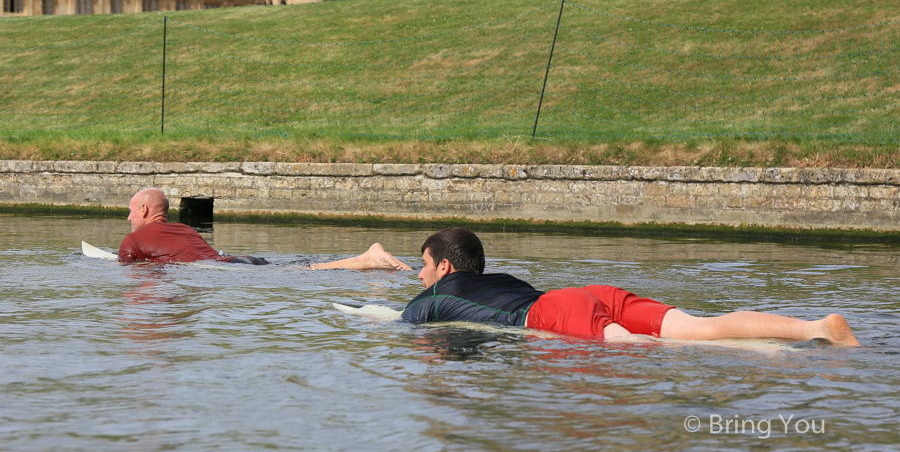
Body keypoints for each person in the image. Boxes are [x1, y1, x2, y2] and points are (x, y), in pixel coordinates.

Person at [400, 228, 860, 346]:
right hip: (587, 294)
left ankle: (765, 351)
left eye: (423, 266)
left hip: (554, 314)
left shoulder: (436, 296)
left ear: (443, 268)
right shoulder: (502, 279)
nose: (419, 275)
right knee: (700, 329)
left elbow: (408, 322)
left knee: (650, 351)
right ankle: (813, 327)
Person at [120, 188, 412, 270]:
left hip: (234, 270)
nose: (129, 219)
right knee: (301, 267)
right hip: (242, 260)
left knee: (307, 271)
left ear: (144, 210)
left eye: (131, 212)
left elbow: (134, 266)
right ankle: (366, 258)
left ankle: (367, 260)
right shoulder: (186, 229)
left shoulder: (133, 240)